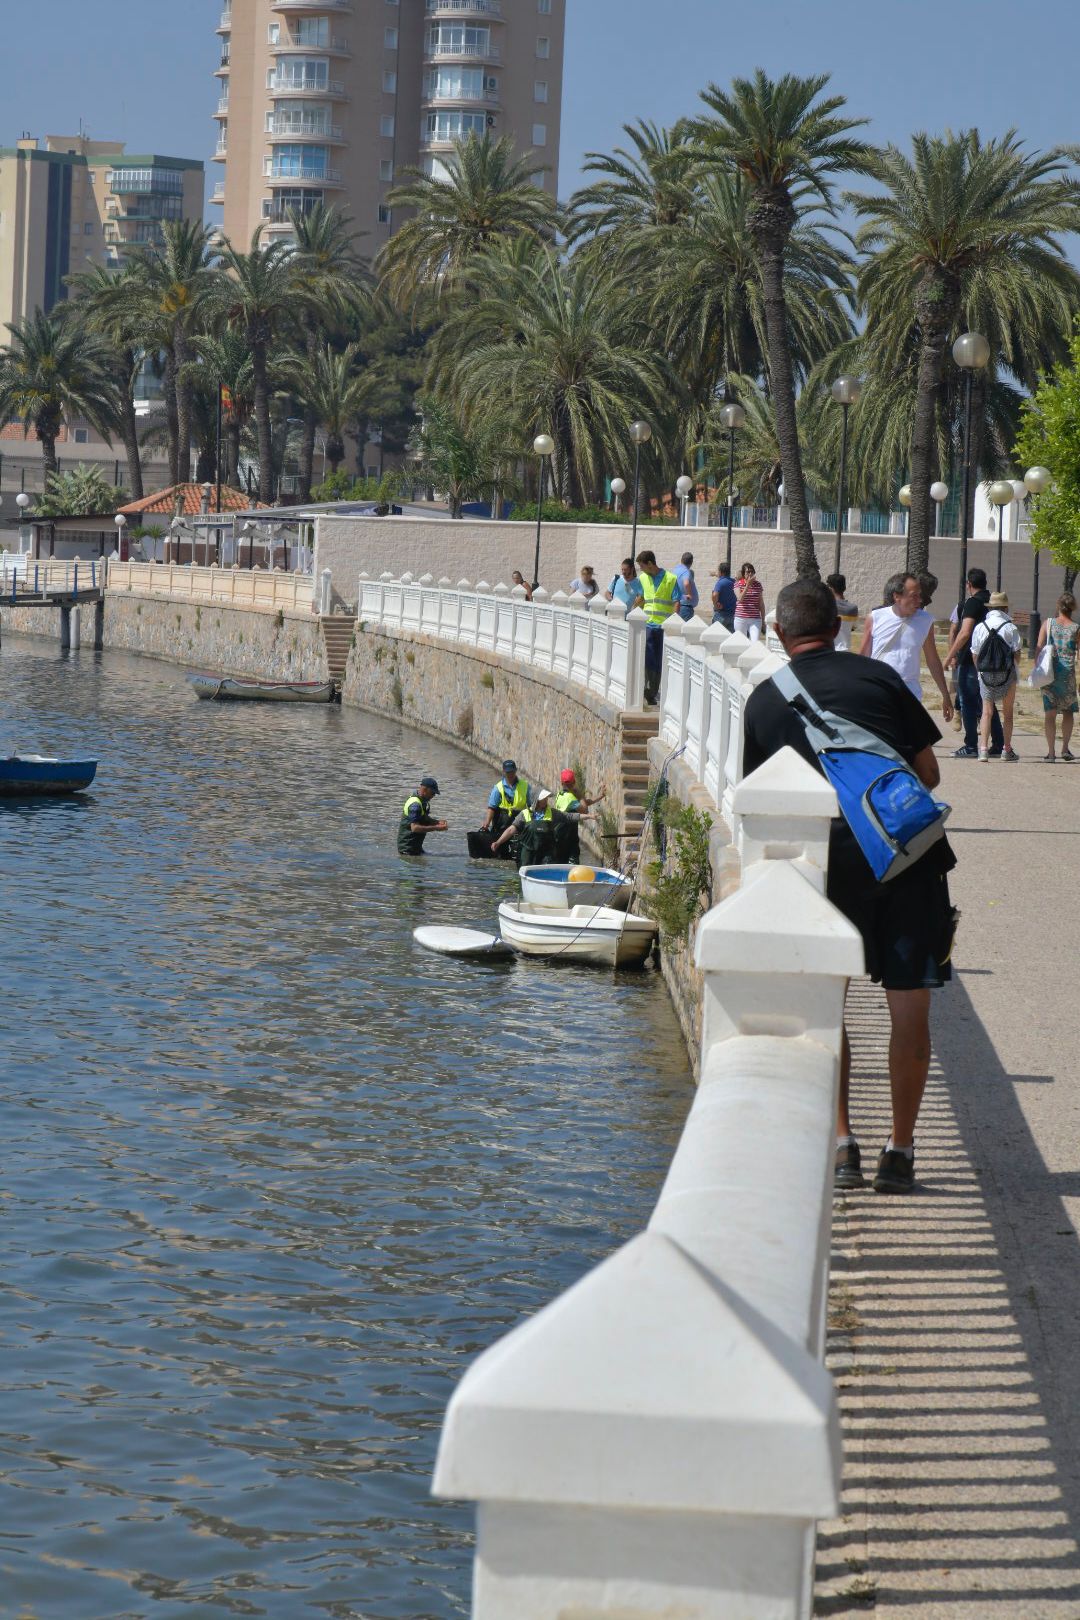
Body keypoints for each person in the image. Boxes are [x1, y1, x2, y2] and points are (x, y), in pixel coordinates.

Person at [743, 578, 957, 1196]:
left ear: (780, 634)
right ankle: (902, 1150)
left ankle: (842, 1147)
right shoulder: (880, 679)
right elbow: (929, 772)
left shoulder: (764, 703)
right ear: (838, 628)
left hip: (824, 870)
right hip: (907, 860)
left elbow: (756, 805)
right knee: (909, 1004)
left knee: (826, 1008)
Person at [859, 571, 953, 723]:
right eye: (914, 595)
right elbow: (863, 657)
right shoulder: (875, 618)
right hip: (880, 688)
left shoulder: (926, 621)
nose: (919, 600)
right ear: (897, 596)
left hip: (910, 691)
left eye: (919, 595)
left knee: (910, 740)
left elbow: (933, 660)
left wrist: (945, 695)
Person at [944, 568, 1004, 757]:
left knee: (968, 703)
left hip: (970, 660)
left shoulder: (972, 603)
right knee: (988, 704)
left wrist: (949, 656)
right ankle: (998, 745)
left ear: (969, 584)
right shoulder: (992, 602)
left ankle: (970, 745)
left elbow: (964, 632)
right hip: (992, 660)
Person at [969, 591, 1021, 762]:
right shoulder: (1011, 627)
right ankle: (1006, 749)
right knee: (1008, 713)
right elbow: (1017, 654)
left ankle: (983, 749)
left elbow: (975, 654)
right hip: (1007, 673)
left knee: (987, 712)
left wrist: (980, 670)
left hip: (986, 674)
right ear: (1005, 608)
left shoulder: (980, 627)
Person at [491, 787, 587, 865]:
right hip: (528, 854)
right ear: (536, 800)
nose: (546, 800)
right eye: (543, 798)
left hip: (546, 854)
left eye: (546, 798)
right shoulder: (524, 814)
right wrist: (498, 842)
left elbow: (569, 816)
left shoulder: (552, 813)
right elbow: (511, 830)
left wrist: (588, 816)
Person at [1035, 593, 1079, 762]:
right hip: (1067, 674)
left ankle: (1051, 753)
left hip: (1050, 672)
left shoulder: (1048, 623)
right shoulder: (1076, 627)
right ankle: (1065, 749)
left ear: (1058, 605)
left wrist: (1036, 669)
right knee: (1068, 712)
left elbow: (1038, 647)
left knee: (1050, 713)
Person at [636, 550, 682, 705]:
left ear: (650, 563)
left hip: (663, 626)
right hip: (647, 624)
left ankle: (652, 690)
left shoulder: (670, 578)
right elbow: (641, 598)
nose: (640, 569)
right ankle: (649, 690)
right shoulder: (642, 578)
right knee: (648, 658)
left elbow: (676, 601)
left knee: (659, 660)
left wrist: (673, 622)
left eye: (642, 566)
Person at [554, 767, 606, 863]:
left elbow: (584, 803)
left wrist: (600, 797)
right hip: (568, 836)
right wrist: (580, 795)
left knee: (560, 862)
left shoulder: (560, 795)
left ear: (562, 783)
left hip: (559, 835)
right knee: (573, 861)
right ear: (574, 782)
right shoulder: (570, 798)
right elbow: (584, 809)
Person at [398, 776, 449, 857]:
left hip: (416, 849)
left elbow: (423, 818)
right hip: (408, 851)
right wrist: (436, 828)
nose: (433, 796)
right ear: (425, 790)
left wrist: (438, 822)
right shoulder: (415, 805)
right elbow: (415, 828)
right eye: (432, 793)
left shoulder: (422, 801)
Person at [481, 760, 533, 838]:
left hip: (519, 823)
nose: (510, 774)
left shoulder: (526, 786)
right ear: (504, 772)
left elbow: (531, 806)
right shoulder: (498, 788)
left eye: (512, 772)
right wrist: (487, 822)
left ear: (516, 771)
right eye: (508, 772)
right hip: (501, 824)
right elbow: (491, 808)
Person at [826, 572, 860, 651]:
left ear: (830, 588)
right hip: (845, 651)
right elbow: (853, 627)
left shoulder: (825, 606)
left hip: (828, 651)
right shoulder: (853, 608)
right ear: (844, 587)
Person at [733, 562, 765, 640]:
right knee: (742, 642)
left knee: (755, 642)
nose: (750, 573)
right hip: (740, 618)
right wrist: (747, 585)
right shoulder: (738, 584)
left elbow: (761, 604)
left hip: (755, 619)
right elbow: (740, 599)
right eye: (748, 572)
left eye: (752, 571)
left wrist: (763, 620)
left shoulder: (758, 585)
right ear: (744, 574)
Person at [711, 563, 737, 632]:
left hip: (721, 615)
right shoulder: (734, 582)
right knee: (730, 639)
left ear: (721, 572)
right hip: (732, 616)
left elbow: (714, 595)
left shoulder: (720, 583)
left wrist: (715, 605)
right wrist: (714, 574)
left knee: (716, 637)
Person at [674, 551, 699, 622]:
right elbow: (686, 583)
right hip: (685, 606)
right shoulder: (686, 571)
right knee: (685, 630)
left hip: (677, 604)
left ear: (681, 560)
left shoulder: (675, 570)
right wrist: (689, 594)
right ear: (691, 562)